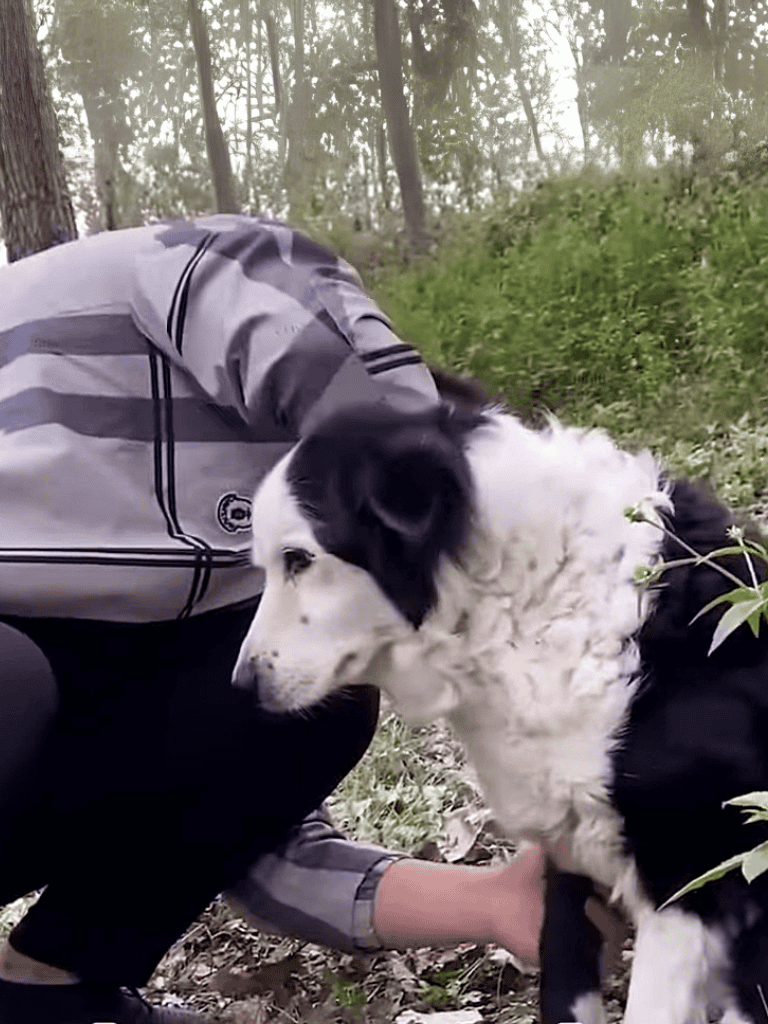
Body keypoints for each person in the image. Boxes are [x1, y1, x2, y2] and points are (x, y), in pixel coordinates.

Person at [0, 214, 554, 1024]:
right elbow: (378, 412)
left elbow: (240, 835)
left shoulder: (253, 564)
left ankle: (42, 995)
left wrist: (498, 903)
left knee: (300, 713)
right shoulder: (214, 277)